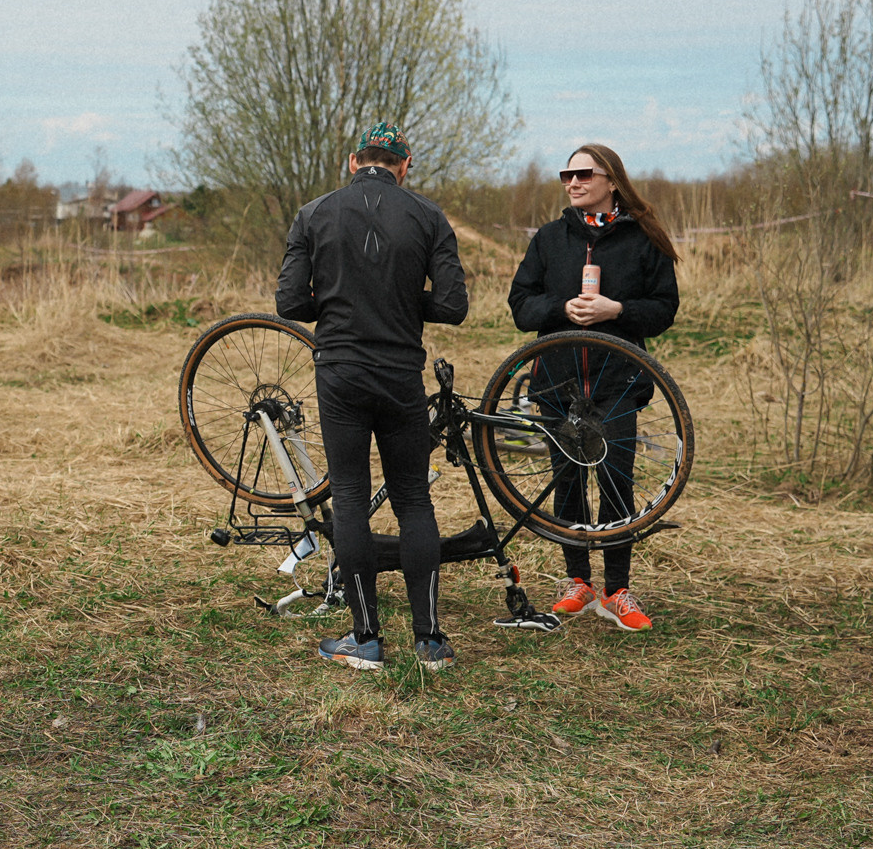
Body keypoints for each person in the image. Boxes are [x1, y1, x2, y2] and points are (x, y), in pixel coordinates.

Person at [276, 122, 469, 673]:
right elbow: (453, 305)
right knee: (414, 500)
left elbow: (290, 301)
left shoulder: (314, 213)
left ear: (353, 160)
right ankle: (430, 641)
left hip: (341, 371)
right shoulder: (428, 216)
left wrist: (344, 301)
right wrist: (402, 301)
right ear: (404, 165)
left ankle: (365, 639)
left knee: (353, 499)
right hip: (400, 372)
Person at [508, 142, 681, 631]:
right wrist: (562, 308)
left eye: (583, 174)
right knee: (566, 480)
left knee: (614, 479)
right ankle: (578, 582)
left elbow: (665, 308)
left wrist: (617, 310)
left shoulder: (643, 240)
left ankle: (617, 589)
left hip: (618, 383)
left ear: (612, 181)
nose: (572, 183)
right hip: (557, 383)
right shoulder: (548, 239)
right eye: (566, 176)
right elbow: (521, 303)